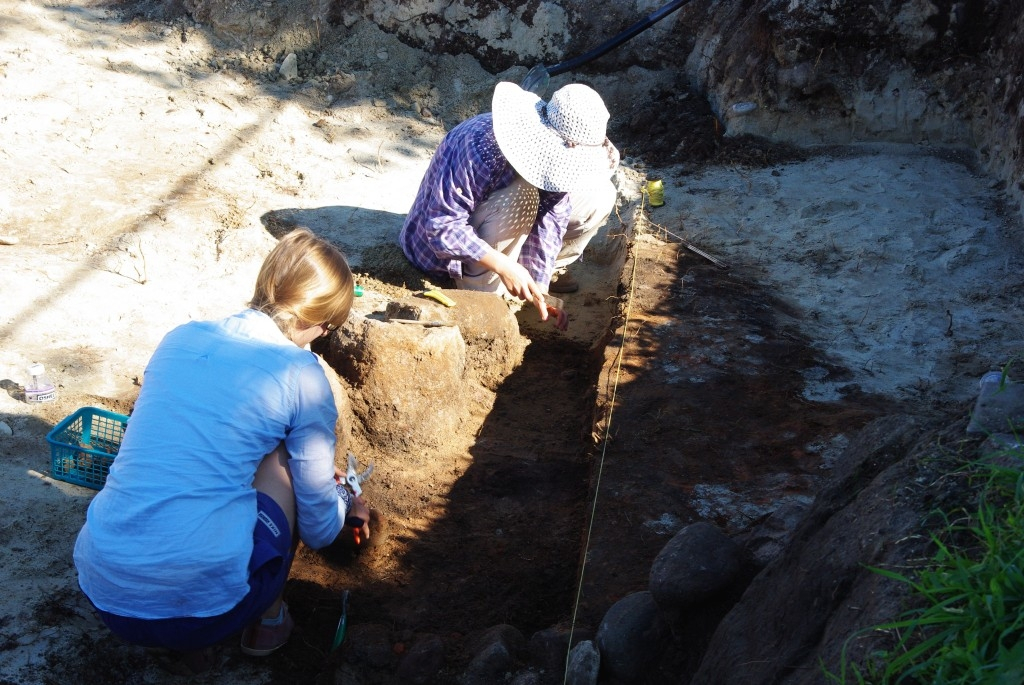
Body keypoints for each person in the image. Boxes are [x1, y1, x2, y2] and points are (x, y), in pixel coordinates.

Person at [73, 228, 371, 671]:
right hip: (199, 610)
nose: (322, 337)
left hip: (107, 592)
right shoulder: (300, 372)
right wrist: (347, 501)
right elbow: (320, 529)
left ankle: (183, 630)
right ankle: (268, 621)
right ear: (316, 318)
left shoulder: (180, 337)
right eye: (329, 327)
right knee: (282, 459)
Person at [399, 81, 620, 330]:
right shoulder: (480, 147)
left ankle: (525, 276)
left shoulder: (560, 164)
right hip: (439, 251)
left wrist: (539, 286)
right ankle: (484, 300)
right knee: (522, 198)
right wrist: (504, 266)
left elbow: (552, 218)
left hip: (500, 224)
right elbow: (441, 226)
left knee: (600, 194)